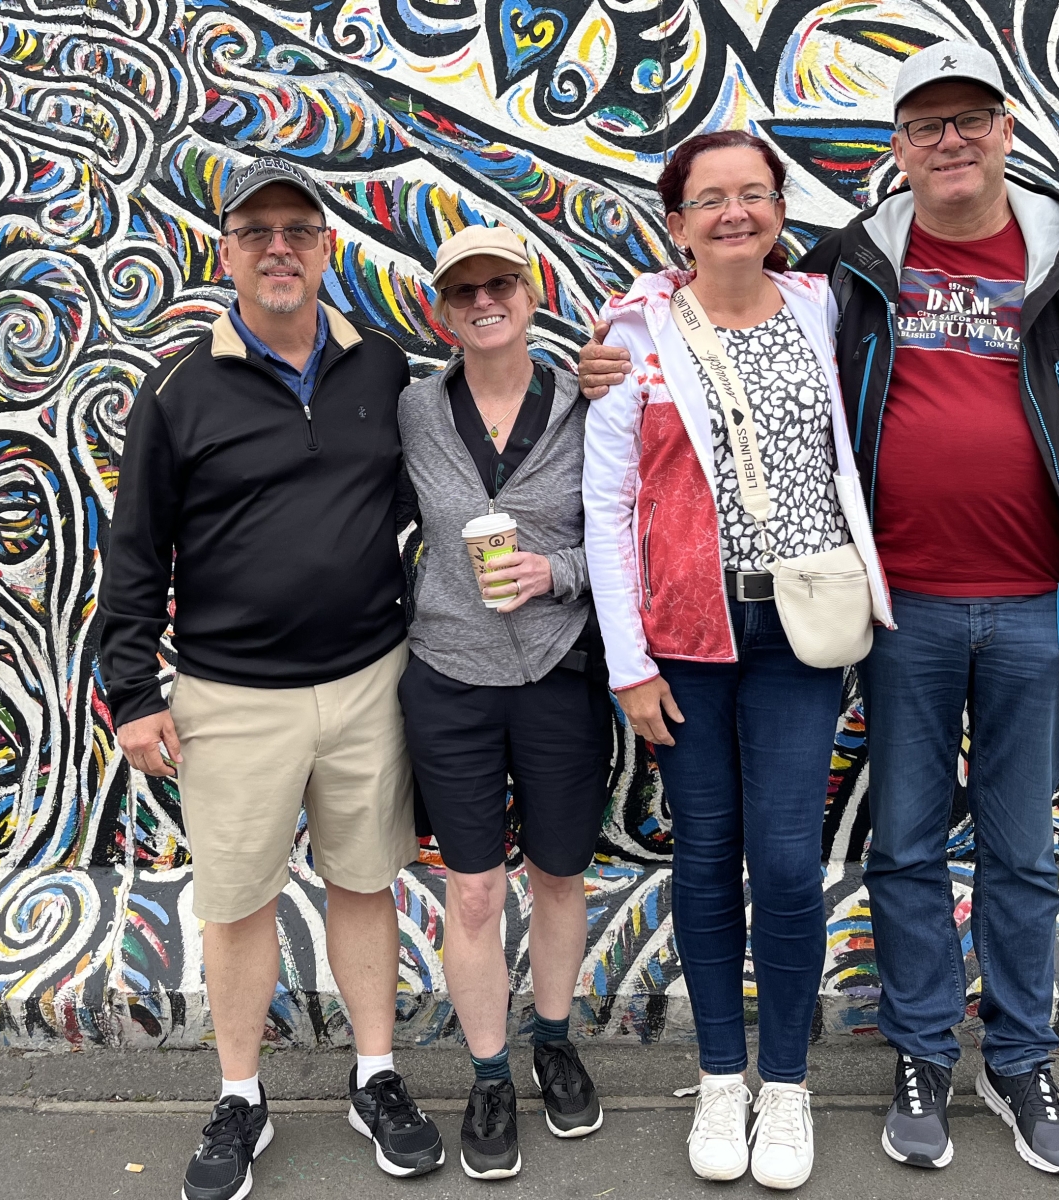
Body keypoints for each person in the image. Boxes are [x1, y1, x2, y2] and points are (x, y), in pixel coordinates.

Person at [578, 43, 1059, 1178]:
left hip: (998, 610)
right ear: (896, 151)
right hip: (856, 619)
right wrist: (627, 326)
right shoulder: (802, 283)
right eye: (925, 126)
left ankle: (1012, 1061)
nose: (951, 141)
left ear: (1007, 129)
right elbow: (627, 465)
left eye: (971, 120)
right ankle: (890, 1061)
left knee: (1013, 850)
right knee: (886, 846)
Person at [99, 157, 444, 1200]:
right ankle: (240, 1096)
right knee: (238, 901)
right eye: (257, 233)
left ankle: (374, 1076)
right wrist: (132, 692)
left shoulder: (378, 366)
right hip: (230, 697)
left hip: (365, 682)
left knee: (365, 880)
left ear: (327, 247)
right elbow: (135, 549)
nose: (279, 248)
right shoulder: (177, 387)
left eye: (298, 229)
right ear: (227, 253)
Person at [582, 130, 891, 1190]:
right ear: (677, 223)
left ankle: (787, 1086)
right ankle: (722, 1077)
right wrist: (629, 665)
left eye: (753, 195)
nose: (734, 214)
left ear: (778, 210)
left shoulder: (823, 308)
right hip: (688, 641)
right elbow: (606, 508)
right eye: (710, 199)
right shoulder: (638, 330)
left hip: (800, 635)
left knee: (791, 863)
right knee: (709, 858)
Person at [396, 224, 608, 1180]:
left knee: (560, 874)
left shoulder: (586, 401)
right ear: (444, 311)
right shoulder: (412, 410)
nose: (485, 301)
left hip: (561, 669)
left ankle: (554, 1041)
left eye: (502, 285)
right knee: (473, 889)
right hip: (449, 672)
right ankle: (489, 1074)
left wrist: (553, 572)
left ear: (532, 293)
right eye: (464, 291)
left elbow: (623, 533)